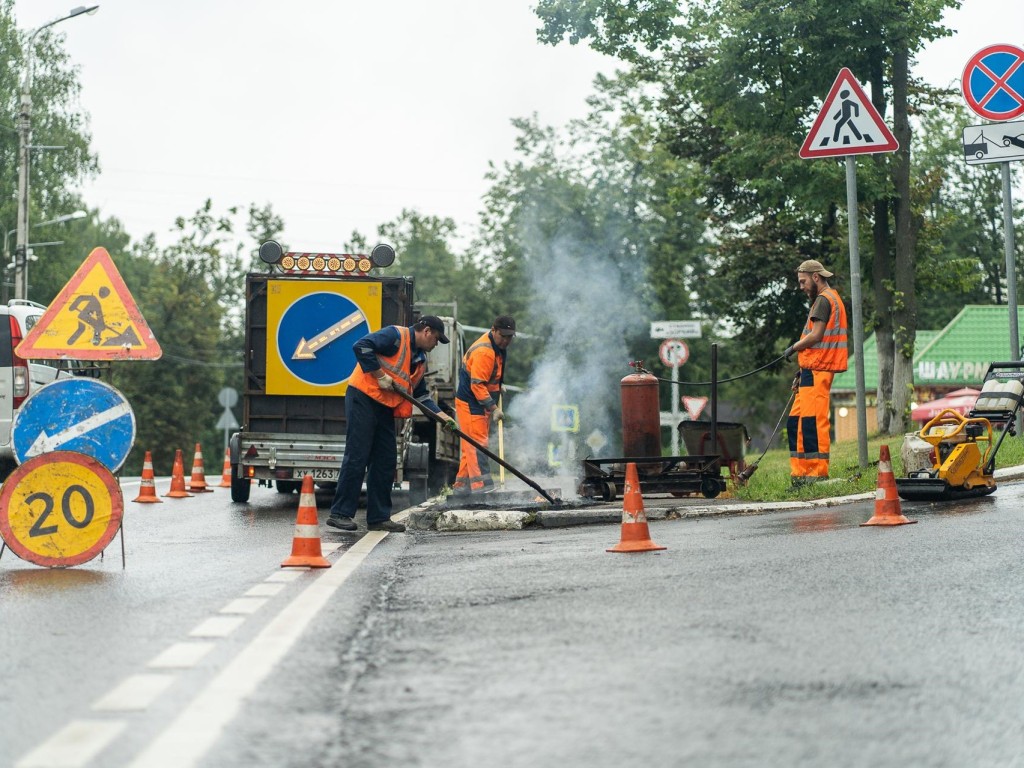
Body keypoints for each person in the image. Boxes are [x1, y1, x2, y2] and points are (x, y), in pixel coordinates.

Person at [326, 315, 458, 532]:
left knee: (386, 459)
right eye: (436, 339)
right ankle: (340, 513)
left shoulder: (420, 360)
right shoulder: (396, 335)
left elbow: (421, 396)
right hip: (363, 397)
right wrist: (379, 375)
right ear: (426, 331)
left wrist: (442, 417)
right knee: (358, 454)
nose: (435, 345)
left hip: (384, 406)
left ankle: (378, 518)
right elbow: (361, 346)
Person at [782, 260, 848, 485]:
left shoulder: (823, 300)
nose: (801, 286)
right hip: (810, 369)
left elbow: (816, 335)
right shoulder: (828, 299)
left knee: (812, 421)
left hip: (819, 368)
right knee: (795, 421)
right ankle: (799, 474)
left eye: (803, 281)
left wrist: (793, 347)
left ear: (815, 277)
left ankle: (816, 474)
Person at [452, 315, 516, 495]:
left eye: (509, 337)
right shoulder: (485, 351)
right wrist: (494, 408)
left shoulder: (498, 347)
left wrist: (497, 388)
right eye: (503, 336)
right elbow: (477, 385)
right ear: (493, 330)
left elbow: (490, 376)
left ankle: (461, 487)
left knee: (470, 446)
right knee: (477, 445)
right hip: (471, 403)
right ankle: (483, 489)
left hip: (478, 402)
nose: (506, 340)